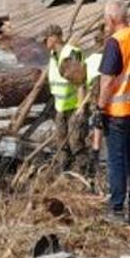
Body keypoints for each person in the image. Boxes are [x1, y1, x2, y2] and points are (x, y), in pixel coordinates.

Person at [94, 0, 130, 225]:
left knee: (116, 161)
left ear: (111, 19)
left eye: (105, 19)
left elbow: (107, 82)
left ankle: (116, 209)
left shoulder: (115, 42)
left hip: (117, 111)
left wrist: (100, 108)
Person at [41, 25, 93, 174]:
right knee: (61, 144)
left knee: (76, 143)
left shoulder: (71, 53)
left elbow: (81, 83)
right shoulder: (54, 56)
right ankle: (64, 175)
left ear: (54, 37)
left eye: (46, 40)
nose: (44, 43)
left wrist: (81, 109)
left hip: (75, 107)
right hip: (61, 108)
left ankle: (86, 175)